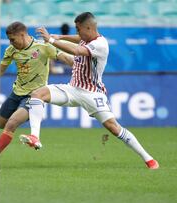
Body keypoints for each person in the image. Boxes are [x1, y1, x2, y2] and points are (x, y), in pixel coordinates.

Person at [20, 12, 159, 169]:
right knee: (38, 94)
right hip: (72, 89)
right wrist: (60, 37)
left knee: (114, 128)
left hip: (92, 94)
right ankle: (35, 137)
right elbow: (77, 39)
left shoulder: (101, 44)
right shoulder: (86, 37)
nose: (77, 33)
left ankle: (149, 159)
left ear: (88, 27)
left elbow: (77, 51)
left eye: (79, 29)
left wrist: (51, 40)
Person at [0, 22, 73, 154]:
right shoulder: (11, 50)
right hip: (16, 94)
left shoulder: (43, 47)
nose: (11, 43)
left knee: (11, 124)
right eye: (9, 40)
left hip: (34, 96)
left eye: (13, 39)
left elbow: (67, 59)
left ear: (22, 35)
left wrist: (85, 68)